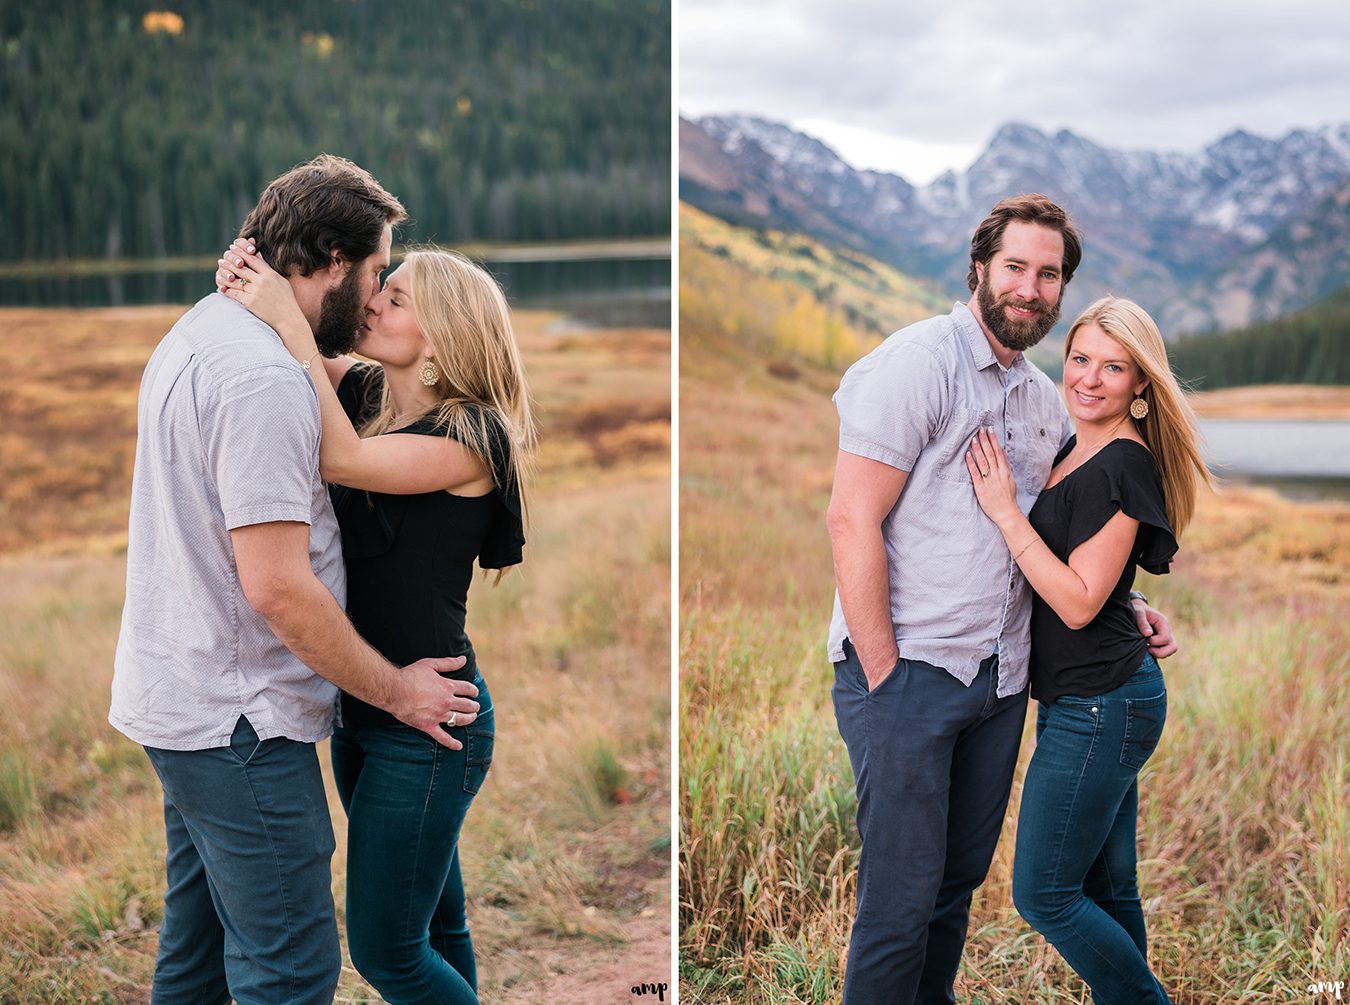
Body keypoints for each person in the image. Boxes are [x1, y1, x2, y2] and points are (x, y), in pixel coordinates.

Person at [110, 155, 484, 1005]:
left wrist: (277, 312)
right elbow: (277, 588)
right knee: (288, 970)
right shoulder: (264, 378)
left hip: (188, 702)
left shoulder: (202, 331)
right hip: (240, 721)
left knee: (198, 959)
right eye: (378, 272)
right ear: (327, 263)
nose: (378, 293)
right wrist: (394, 691)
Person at [825, 193, 1178, 1005]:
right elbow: (850, 517)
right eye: (1016, 266)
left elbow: (1073, 538)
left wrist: (1128, 604)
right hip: (910, 672)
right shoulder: (919, 362)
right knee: (897, 903)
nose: (1030, 287)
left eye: (1048, 274)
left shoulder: (1040, 399)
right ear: (980, 267)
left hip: (1002, 684)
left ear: (1061, 289)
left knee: (952, 891)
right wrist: (884, 679)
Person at [214, 236, 535, 1003]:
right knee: (439, 923)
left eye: (396, 297)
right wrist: (252, 279)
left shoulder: (474, 437)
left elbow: (345, 461)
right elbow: (289, 343)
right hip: (371, 705)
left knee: (388, 952)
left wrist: (290, 328)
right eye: (379, 286)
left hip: (430, 722)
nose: (374, 300)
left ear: (440, 337)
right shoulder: (368, 394)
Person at [965, 297, 1209, 1004]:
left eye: (1114, 367)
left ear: (1141, 383)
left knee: (1044, 893)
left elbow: (1074, 599)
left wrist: (1007, 513)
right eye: (1080, 359)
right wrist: (1128, 599)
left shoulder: (1124, 464)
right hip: (1092, 694)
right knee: (1107, 885)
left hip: (1103, 704)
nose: (1090, 379)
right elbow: (1092, 577)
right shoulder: (1079, 446)